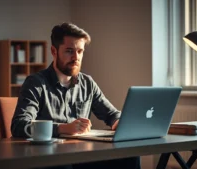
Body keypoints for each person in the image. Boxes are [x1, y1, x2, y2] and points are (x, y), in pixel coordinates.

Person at [11, 22, 140, 169]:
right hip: (48, 158)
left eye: (80, 51)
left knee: (130, 158)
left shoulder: (87, 83)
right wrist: (62, 128)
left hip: (81, 156)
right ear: (54, 51)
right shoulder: (35, 83)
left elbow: (111, 114)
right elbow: (19, 125)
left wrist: (119, 122)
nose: (76, 57)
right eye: (69, 51)